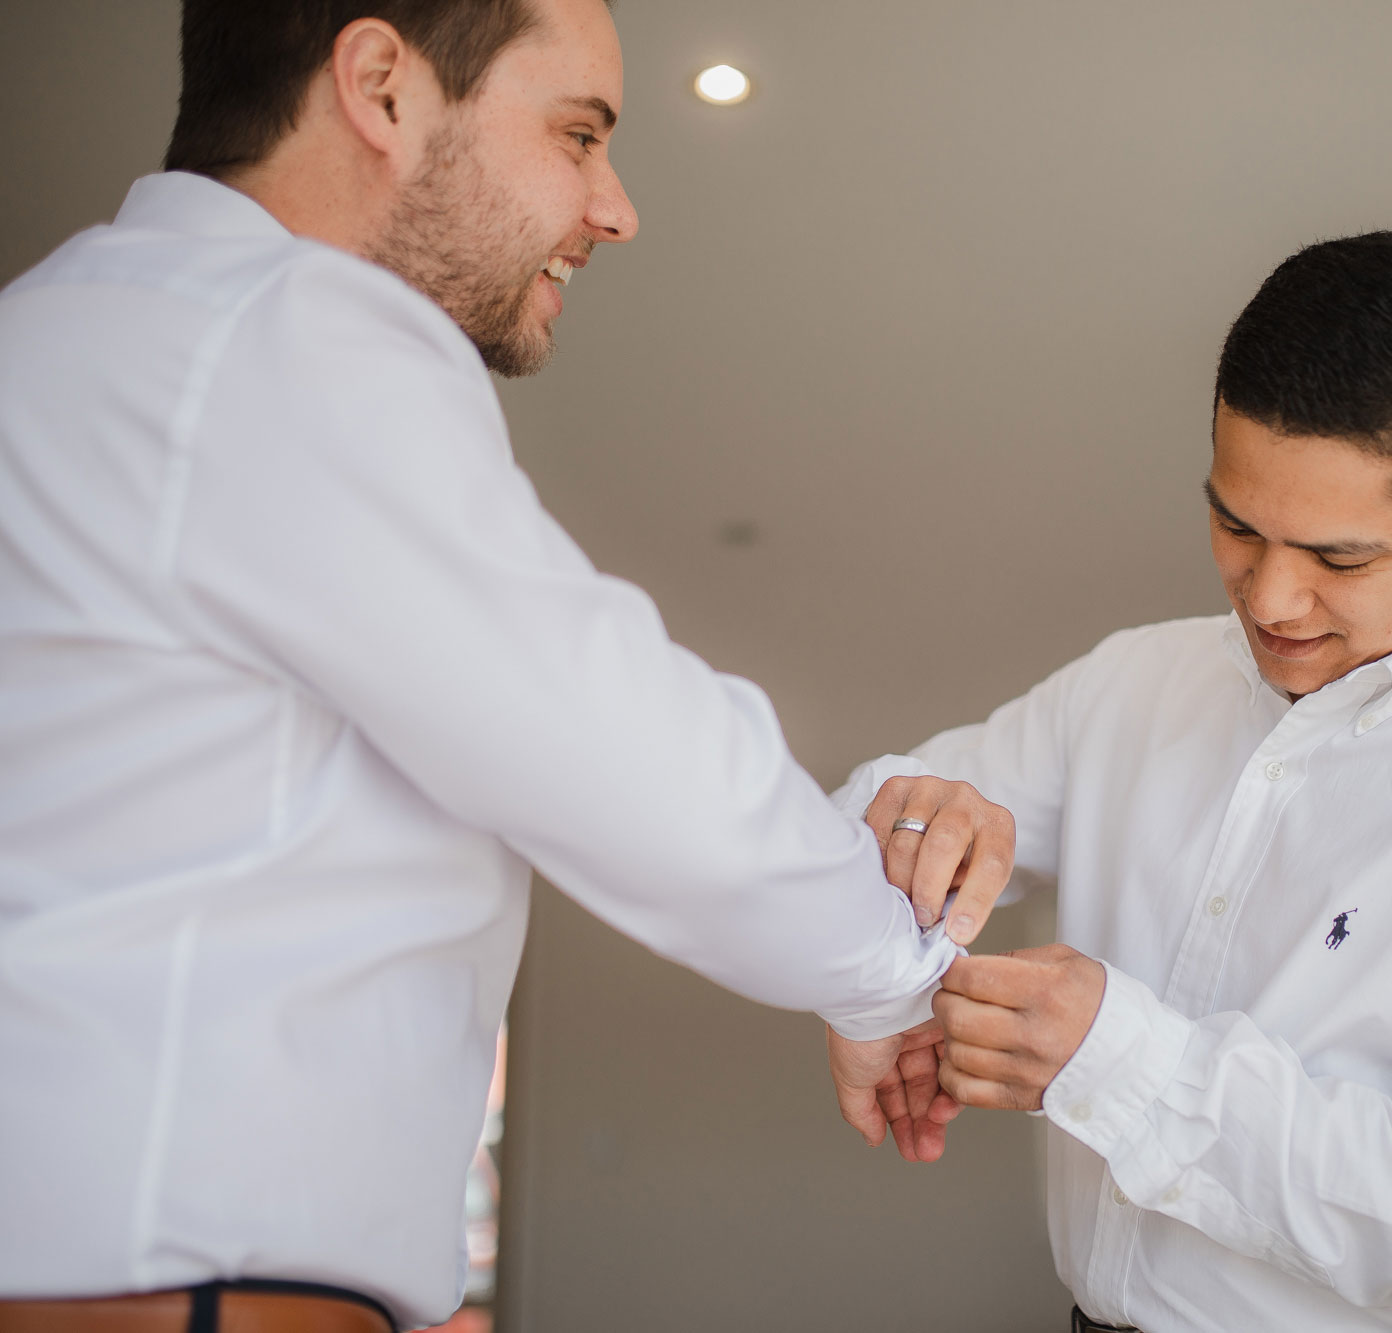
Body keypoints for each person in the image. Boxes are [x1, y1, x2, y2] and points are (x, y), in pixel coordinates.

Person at [0, 1, 1010, 1328]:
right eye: (577, 134)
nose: (615, 209)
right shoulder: (281, 326)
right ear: (380, 85)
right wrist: (890, 963)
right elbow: (615, 745)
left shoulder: (56, 332)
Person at [836, 232, 1392, 1332]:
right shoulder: (1132, 682)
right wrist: (897, 877)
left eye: (1339, 559)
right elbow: (866, 813)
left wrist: (1123, 1060)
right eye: (1233, 524)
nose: (1270, 601)